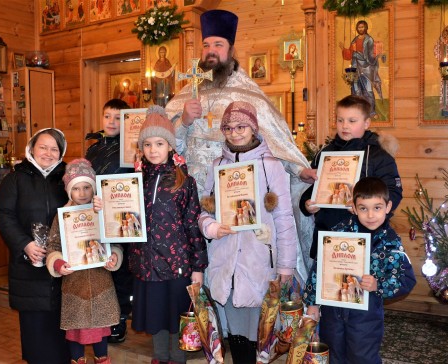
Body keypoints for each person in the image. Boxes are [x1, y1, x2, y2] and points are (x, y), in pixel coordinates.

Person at [165, 9, 314, 283]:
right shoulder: (188, 92)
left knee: (234, 249)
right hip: (193, 189)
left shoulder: (247, 90)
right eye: (207, 45)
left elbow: (275, 135)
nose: (211, 51)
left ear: (231, 49)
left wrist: (299, 169)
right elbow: (165, 146)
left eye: (218, 45)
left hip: (238, 187)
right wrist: (184, 120)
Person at [198, 101, 297, 364]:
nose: (235, 132)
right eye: (229, 128)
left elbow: (284, 217)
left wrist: (286, 266)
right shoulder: (217, 165)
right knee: (235, 333)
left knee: (260, 334)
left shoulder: (270, 165)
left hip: (258, 261)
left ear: (253, 128)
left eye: (241, 126)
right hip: (226, 259)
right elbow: (205, 210)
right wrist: (211, 227)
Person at [304, 177, 416, 364]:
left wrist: (378, 285)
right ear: (354, 208)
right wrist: (312, 303)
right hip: (333, 311)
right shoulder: (338, 233)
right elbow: (319, 268)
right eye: (363, 208)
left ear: (388, 207)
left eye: (377, 207)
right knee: (332, 355)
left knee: (363, 357)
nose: (370, 215)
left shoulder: (390, 242)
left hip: (366, 316)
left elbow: (405, 280)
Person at [127, 106, 208, 364]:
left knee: (177, 317)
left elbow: (193, 226)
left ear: (170, 146)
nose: (153, 150)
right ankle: (160, 357)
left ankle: (177, 359)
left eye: (159, 143)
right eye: (148, 144)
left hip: (177, 266)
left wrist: (198, 267)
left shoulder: (184, 181)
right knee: (155, 317)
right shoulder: (134, 182)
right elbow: (123, 219)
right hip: (146, 265)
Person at [0, 128, 70, 363]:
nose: (48, 153)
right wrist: (24, 244)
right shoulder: (15, 178)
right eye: (43, 147)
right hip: (29, 264)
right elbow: (3, 214)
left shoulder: (66, 178)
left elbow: (80, 206)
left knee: (62, 325)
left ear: (61, 153)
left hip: (61, 264)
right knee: (35, 327)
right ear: (32, 149)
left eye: (54, 149)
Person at [300, 95, 403, 260]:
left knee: (360, 283)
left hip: (365, 235)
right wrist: (307, 204)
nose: (344, 126)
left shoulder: (379, 155)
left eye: (352, 121)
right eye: (340, 120)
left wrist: (364, 206)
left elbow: (393, 192)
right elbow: (314, 187)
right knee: (325, 282)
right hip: (326, 233)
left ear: (366, 123)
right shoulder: (325, 152)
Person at [46, 158, 122, 364]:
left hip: (101, 285)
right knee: (75, 333)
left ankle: (102, 359)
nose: (82, 193)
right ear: (69, 190)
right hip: (74, 288)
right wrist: (58, 263)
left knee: (100, 332)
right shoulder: (62, 217)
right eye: (76, 188)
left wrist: (114, 256)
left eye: (87, 187)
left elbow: (115, 239)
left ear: (93, 187)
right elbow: (53, 247)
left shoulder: (102, 212)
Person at [85, 98, 134, 344]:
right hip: (96, 214)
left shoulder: (131, 146)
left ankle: (120, 318)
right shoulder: (93, 147)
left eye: (118, 117)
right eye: (108, 116)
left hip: (123, 216)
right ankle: (102, 318)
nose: (112, 122)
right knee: (100, 266)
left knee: (121, 268)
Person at [339, 20, 383, 117]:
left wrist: (373, 55)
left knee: (368, 90)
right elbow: (350, 54)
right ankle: (357, 112)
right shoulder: (354, 40)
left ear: (366, 28)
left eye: (362, 27)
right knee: (356, 90)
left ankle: (371, 112)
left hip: (366, 68)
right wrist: (344, 49)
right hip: (355, 67)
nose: (361, 29)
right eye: (359, 27)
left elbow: (370, 55)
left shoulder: (369, 40)